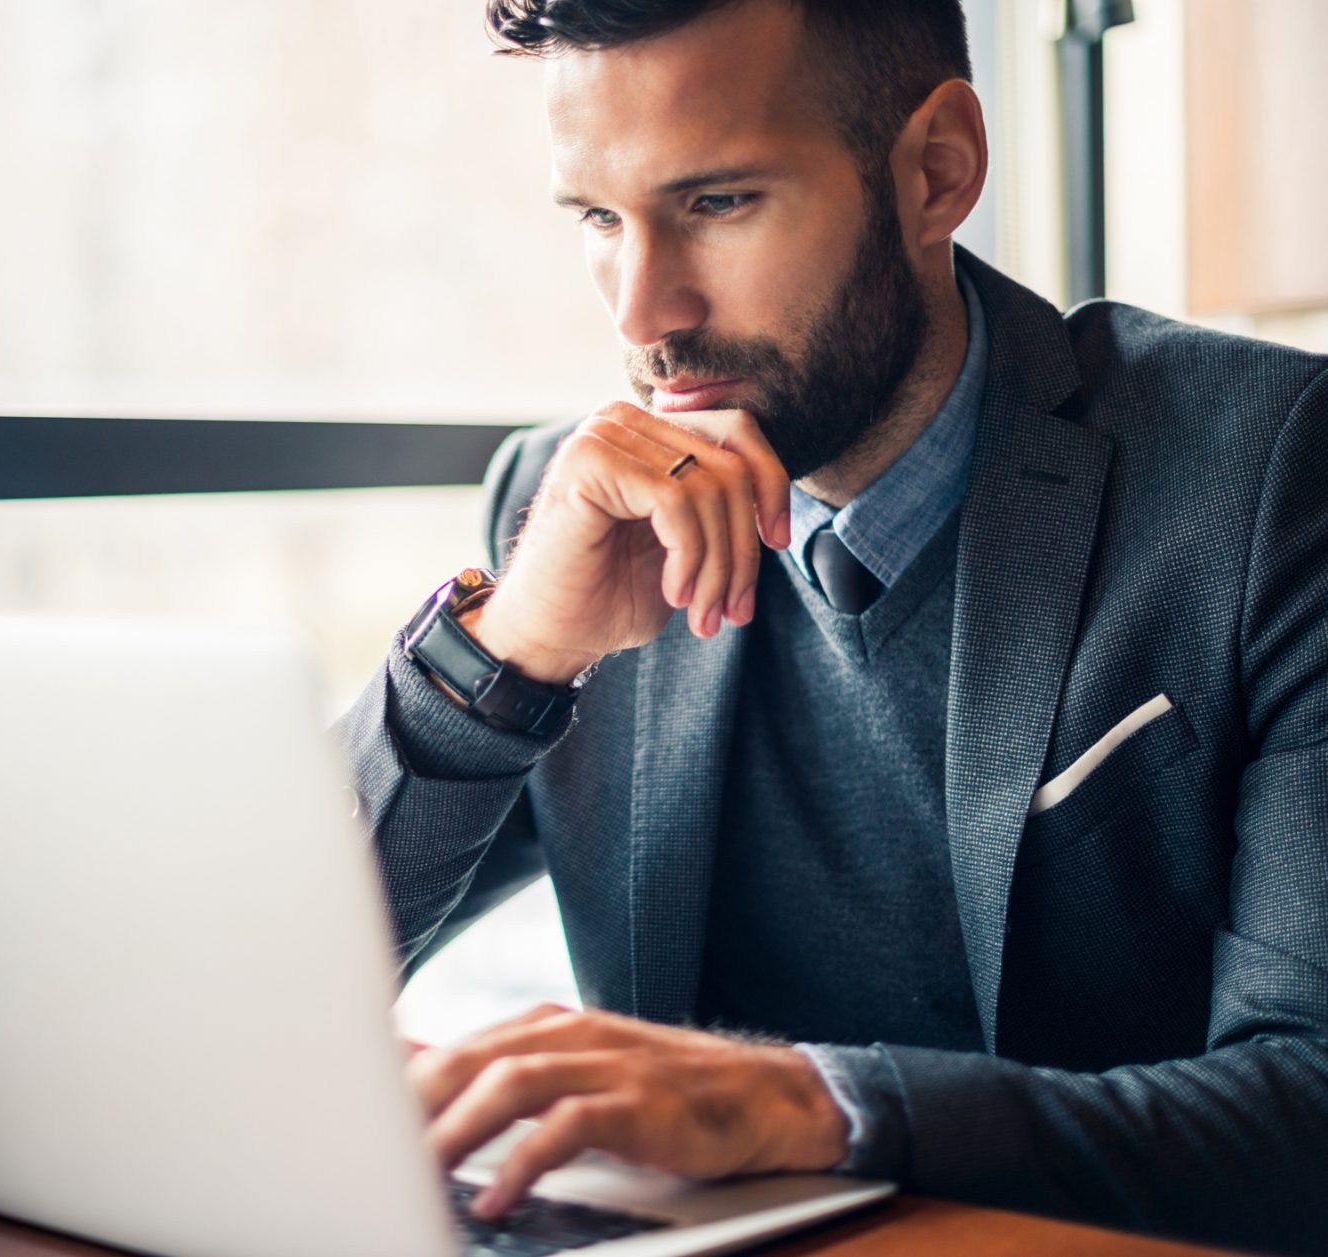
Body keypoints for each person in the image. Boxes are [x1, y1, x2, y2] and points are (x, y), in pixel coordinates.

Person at [336, 1, 1328, 1251]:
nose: (643, 314)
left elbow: (1308, 1109)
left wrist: (820, 1103)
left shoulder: (1274, 470)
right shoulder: (566, 504)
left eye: (717, 204)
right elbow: (265, 962)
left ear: (936, 170)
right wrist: (507, 657)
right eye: (597, 219)